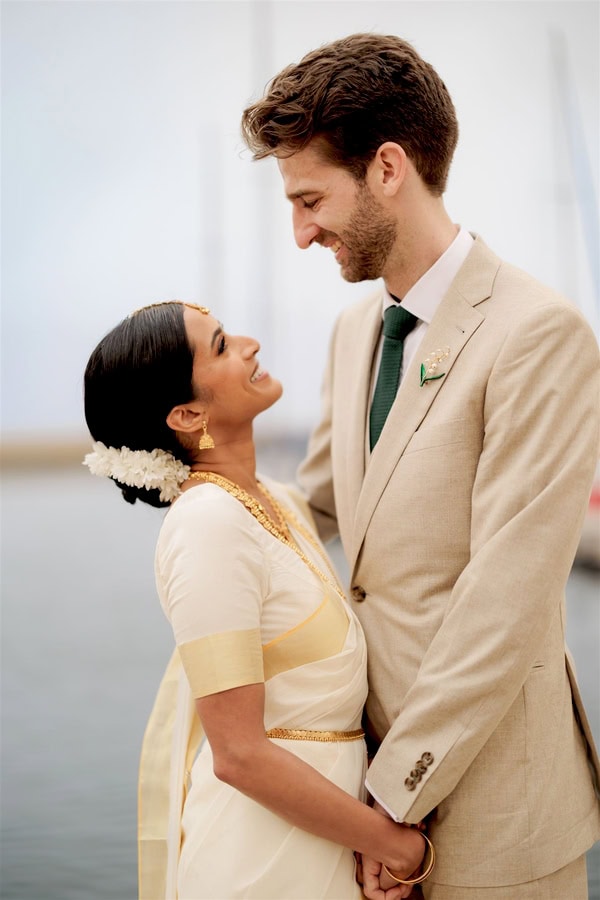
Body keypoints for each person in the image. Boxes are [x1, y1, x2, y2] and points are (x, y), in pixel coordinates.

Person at [241, 31, 600, 899]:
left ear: (389, 169)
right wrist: (199, 501)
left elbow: (506, 602)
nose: (299, 233)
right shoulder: (357, 330)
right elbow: (321, 503)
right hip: (367, 794)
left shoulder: (539, 335)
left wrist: (388, 798)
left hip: (497, 811)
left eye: (311, 199)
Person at [83, 299, 430, 900]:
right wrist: (394, 845)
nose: (249, 343)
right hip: (261, 862)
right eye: (220, 346)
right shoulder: (207, 526)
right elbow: (238, 754)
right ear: (188, 414)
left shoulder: (275, 501)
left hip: (330, 839)